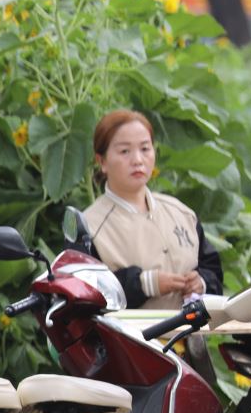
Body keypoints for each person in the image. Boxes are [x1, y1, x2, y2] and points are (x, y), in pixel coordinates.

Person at [84, 109, 223, 310]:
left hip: (192, 339)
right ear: (102, 162)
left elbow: (213, 270)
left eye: (145, 149)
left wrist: (201, 283)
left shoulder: (182, 213)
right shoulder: (90, 225)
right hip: (129, 340)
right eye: (124, 151)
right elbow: (87, 295)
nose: (138, 160)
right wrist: (144, 284)